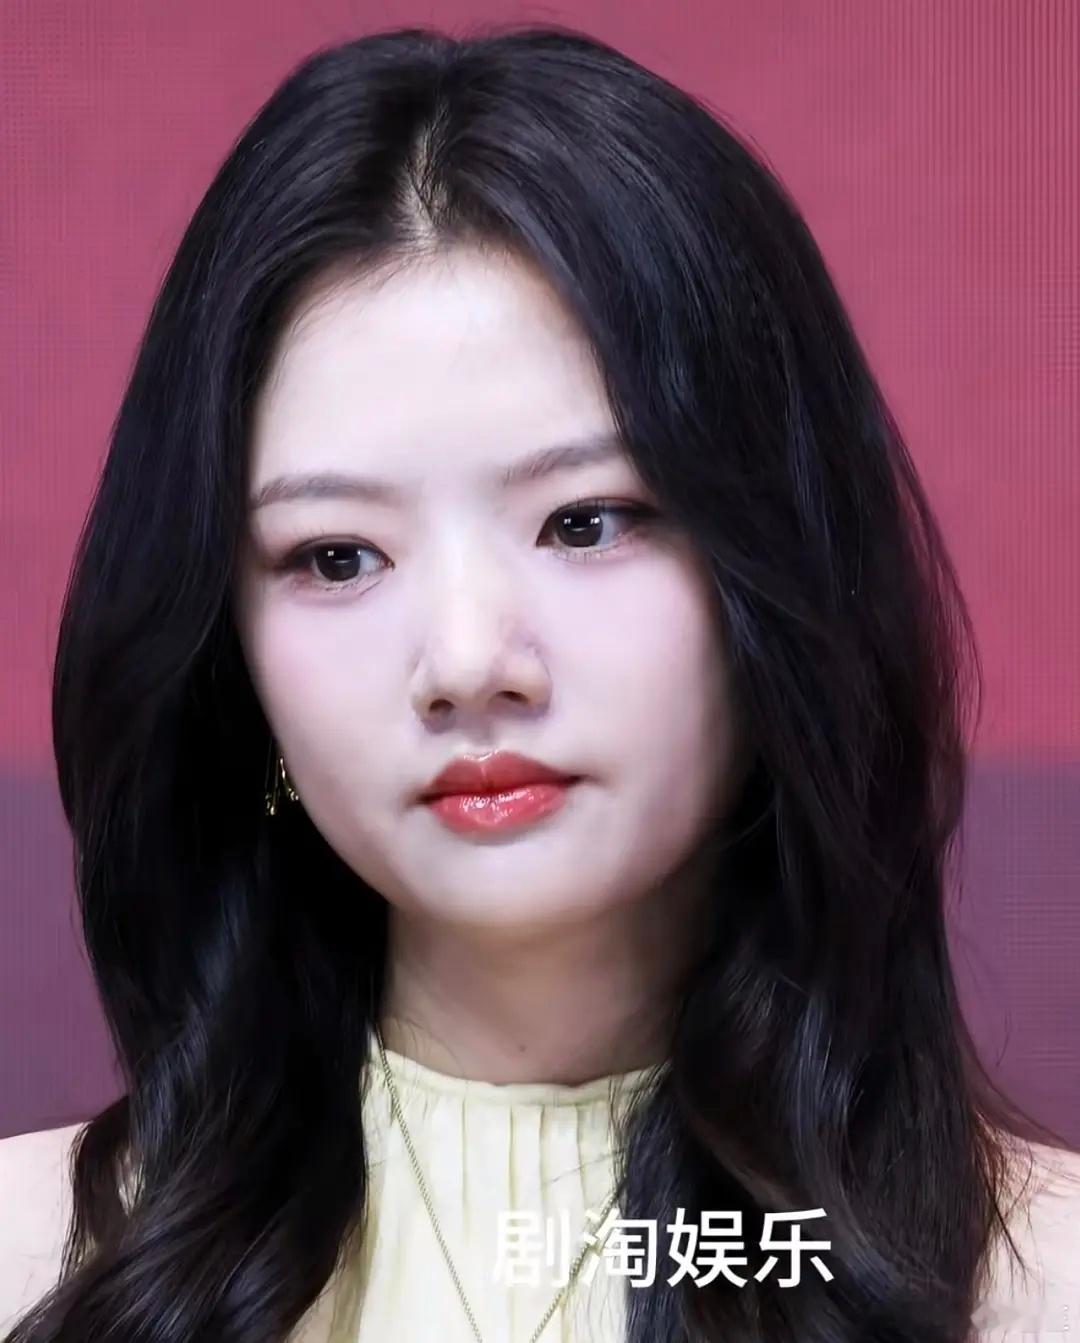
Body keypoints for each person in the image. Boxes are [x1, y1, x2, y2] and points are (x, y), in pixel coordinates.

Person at [1, 20, 1077, 1343]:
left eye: (586, 522)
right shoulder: (33, 1268)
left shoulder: (1041, 1293)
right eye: (336, 556)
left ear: (774, 568)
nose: (467, 664)